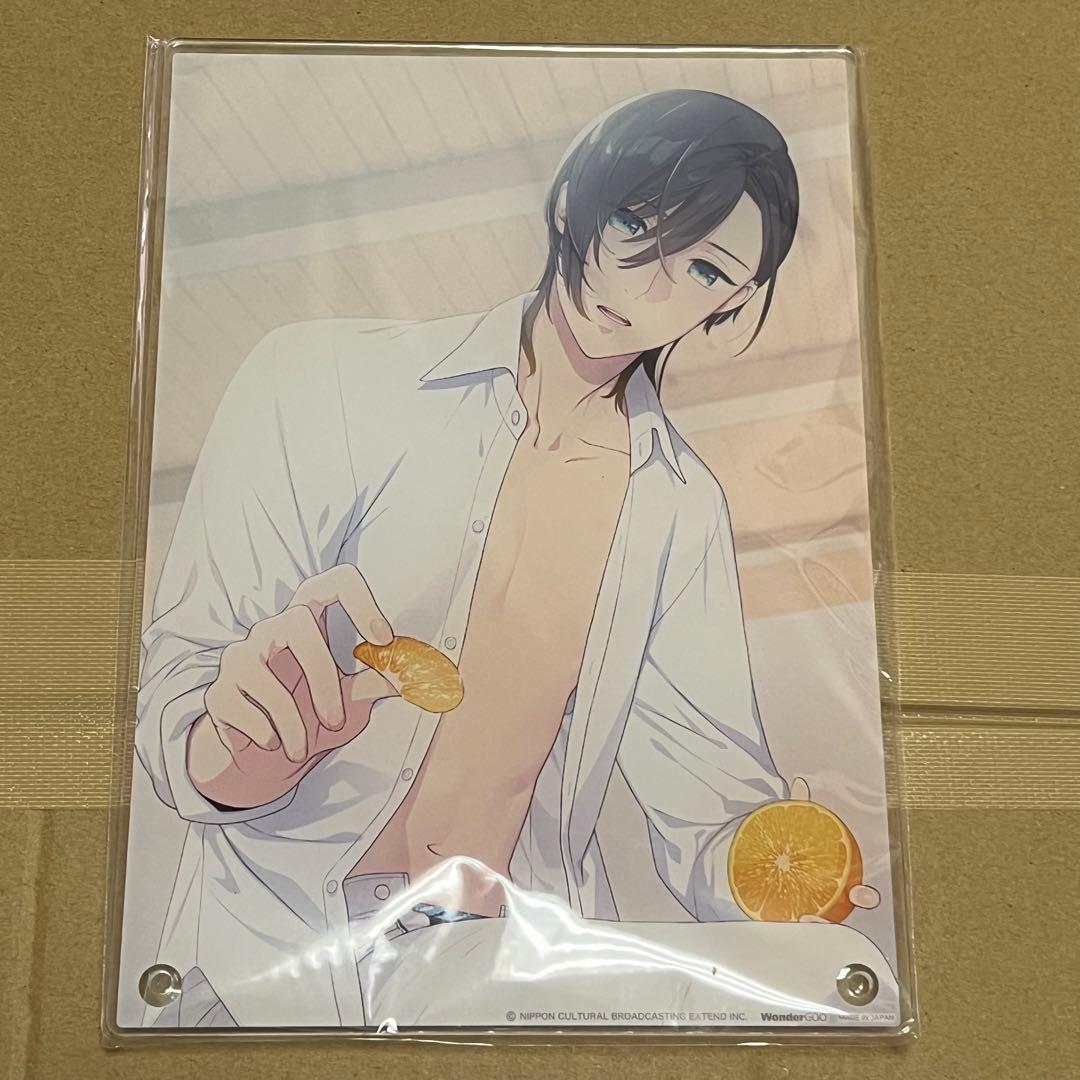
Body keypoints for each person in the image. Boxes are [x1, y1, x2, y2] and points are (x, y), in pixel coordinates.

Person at [134, 89, 878, 1029]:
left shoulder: (678, 507)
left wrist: (779, 878)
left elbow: (706, 808)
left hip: (506, 972)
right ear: (570, 202)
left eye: (702, 268)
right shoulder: (321, 380)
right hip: (267, 956)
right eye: (635, 222)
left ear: (732, 299)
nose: (647, 285)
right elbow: (182, 699)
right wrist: (240, 752)